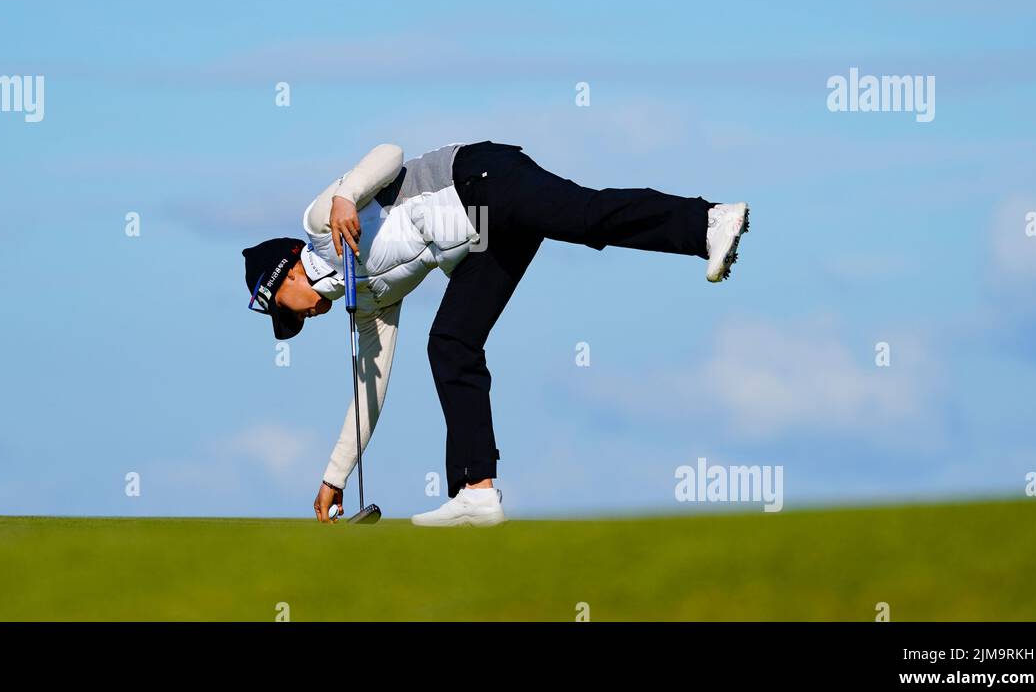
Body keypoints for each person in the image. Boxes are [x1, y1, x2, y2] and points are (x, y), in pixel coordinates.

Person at [241, 141, 749, 526]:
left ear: (284, 276)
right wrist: (335, 475)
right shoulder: (369, 304)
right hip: (485, 235)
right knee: (451, 342)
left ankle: (707, 221)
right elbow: (368, 389)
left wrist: (346, 196)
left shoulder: (318, 226)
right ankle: (475, 490)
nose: (297, 321)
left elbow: (390, 154)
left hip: (480, 178)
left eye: (284, 311)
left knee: (587, 217)